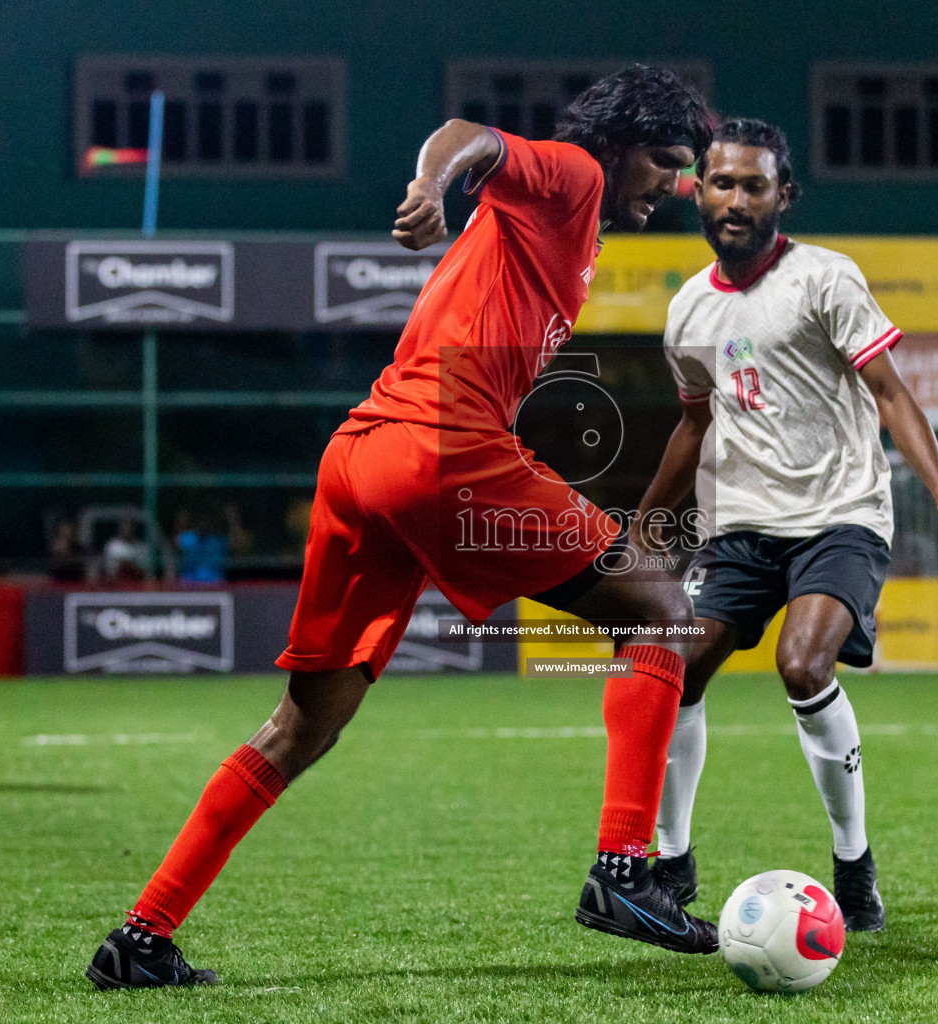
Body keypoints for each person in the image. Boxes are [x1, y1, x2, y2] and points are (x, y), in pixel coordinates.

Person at [88, 65, 716, 991]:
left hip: (361, 456)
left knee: (301, 730)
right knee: (663, 609)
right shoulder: (577, 175)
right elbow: (473, 134)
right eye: (666, 162)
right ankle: (623, 873)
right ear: (620, 144)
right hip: (440, 445)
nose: (678, 185)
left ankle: (141, 935)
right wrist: (432, 184)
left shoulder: (573, 220)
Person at [634, 119, 938, 933]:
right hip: (740, 525)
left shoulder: (826, 279)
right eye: (720, 182)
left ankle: (853, 862)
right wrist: (651, 519)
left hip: (839, 514)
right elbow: (692, 427)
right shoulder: (688, 311)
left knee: (801, 664)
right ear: (700, 191)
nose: (734, 199)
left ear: (781, 195)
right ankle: (673, 862)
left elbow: (891, 393)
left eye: (753, 185)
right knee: (676, 669)